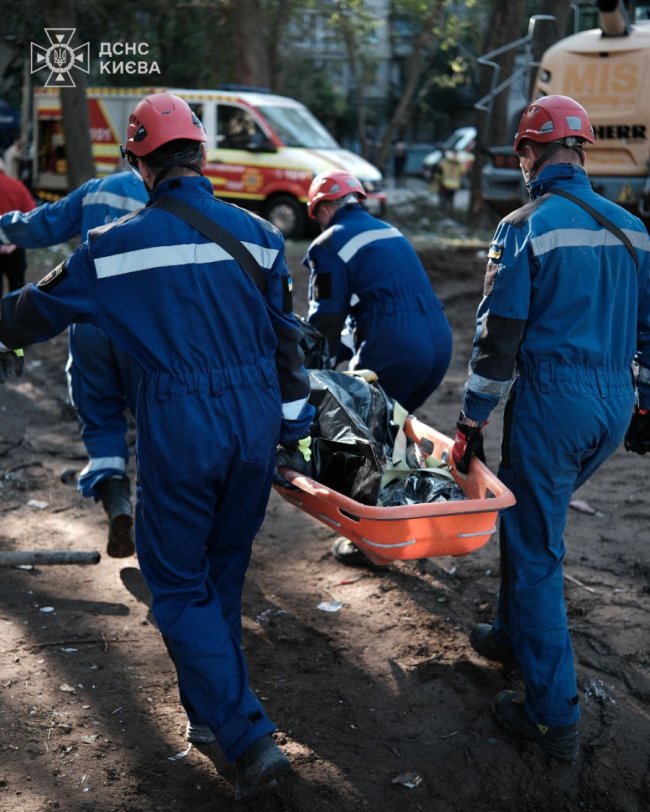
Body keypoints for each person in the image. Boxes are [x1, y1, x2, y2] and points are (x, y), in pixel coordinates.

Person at [0, 92, 313, 801]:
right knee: (221, 572)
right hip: (256, 422)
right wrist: (294, 430)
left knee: (174, 584)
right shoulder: (263, 234)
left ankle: (250, 740)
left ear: (138, 164)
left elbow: (29, 314)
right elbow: (288, 342)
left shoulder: (111, 250)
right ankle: (210, 717)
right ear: (201, 156)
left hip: (182, 423)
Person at [452, 95, 650, 761]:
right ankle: (513, 634)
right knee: (531, 518)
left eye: (523, 154)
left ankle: (551, 716)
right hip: (613, 403)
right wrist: (644, 400)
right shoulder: (635, 228)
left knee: (537, 548)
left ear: (530, 154)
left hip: (555, 402)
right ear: (583, 150)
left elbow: (498, 337)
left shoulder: (524, 224)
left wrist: (471, 421)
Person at [304, 169, 453, 568]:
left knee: (359, 441)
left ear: (321, 208)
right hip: (439, 345)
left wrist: (309, 370)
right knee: (390, 432)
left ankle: (372, 542)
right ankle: (415, 514)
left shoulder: (328, 243)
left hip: (396, 344)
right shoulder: (388, 231)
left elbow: (327, 318)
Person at [0, 170, 150, 559]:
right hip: (144, 326)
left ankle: (116, 498)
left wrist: (4, 229)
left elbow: (42, 224)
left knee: (99, 412)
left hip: (90, 319)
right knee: (155, 420)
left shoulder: (96, 189)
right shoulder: (171, 195)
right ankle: (158, 521)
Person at [0, 158, 35, 295]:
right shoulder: (17, 186)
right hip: (14, 244)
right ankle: (13, 315)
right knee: (17, 288)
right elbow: (32, 213)